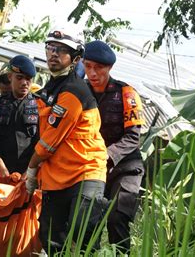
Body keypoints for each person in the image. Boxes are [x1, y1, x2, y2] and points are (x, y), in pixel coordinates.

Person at [24, 30, 108, 255]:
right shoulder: (47, 90)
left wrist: (31, 170)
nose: (53, 54)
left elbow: (50, 141)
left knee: (83, 233)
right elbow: (40, 135)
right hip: (56, 175)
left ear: (76, 58)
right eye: (50, 48)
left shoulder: (74, 91)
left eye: (61, 50)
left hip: (85, 170)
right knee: (51, 238)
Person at [82, 40, 145, 254]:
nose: (92, 72)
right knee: (88, 223)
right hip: (91, 168)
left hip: (124, 167)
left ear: (109, 68)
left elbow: (133, 137)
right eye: (87, 66)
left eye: (98, 67)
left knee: (117, 218)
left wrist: (106, 155)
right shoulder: (78, 94)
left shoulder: (126, 93)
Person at [0, 55, 39, 181]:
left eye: (28, 79)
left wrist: (30, 171)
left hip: (29, 173)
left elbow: (42, 141)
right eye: (19, 78)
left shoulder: (39, 105)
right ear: (10, 77)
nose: (24, 83)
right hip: (1, 172)